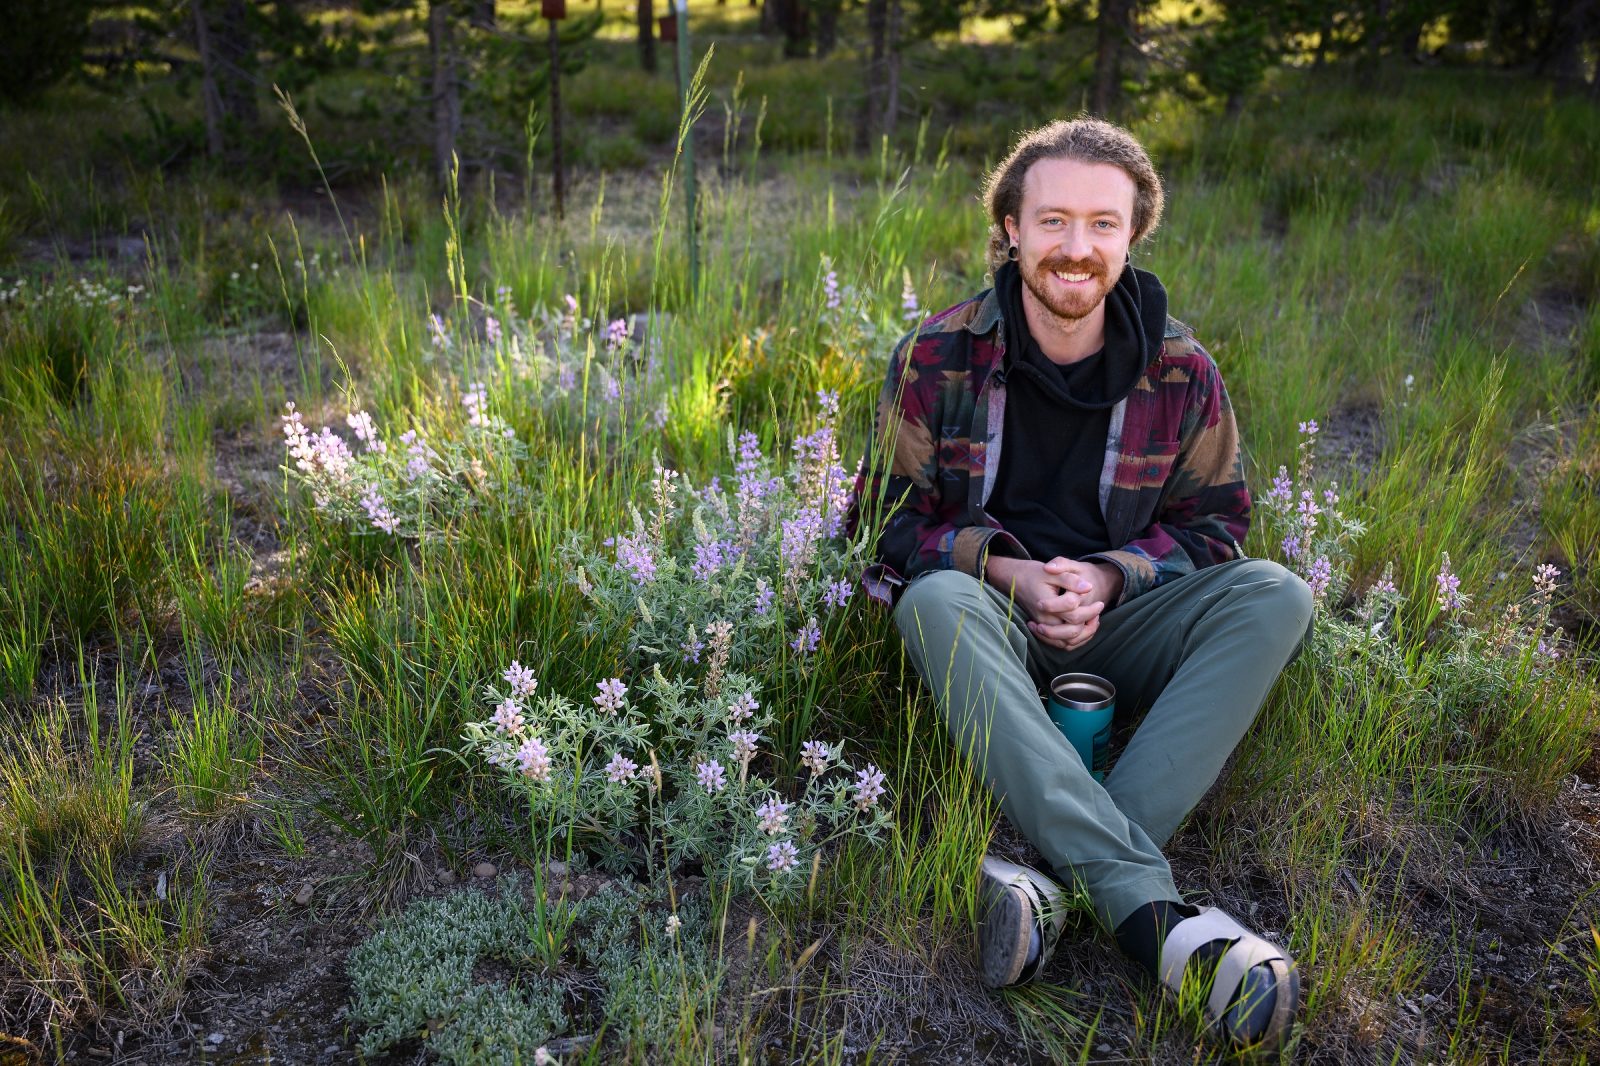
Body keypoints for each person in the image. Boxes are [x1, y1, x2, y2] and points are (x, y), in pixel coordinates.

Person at [850, 118, 1313, 1054]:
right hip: (990, 627)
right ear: (1010, 229)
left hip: (1124, 619)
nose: (1076, 248)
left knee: (1276, 595)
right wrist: (1014, 574)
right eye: (1052, 220)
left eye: (1102, 224)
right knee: (933, 598)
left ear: (1133, 234)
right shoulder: (935, 356)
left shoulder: (1183, 369)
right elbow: (885, 526)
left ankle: (1053, 888)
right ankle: (1153, 920)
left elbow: (1219, 524)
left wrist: (1108, 575)